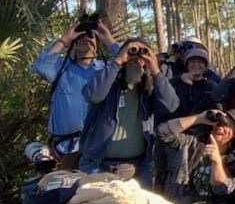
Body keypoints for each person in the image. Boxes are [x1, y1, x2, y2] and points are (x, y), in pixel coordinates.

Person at [80, 38, 179, 184]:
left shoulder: (149, 87)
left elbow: (171, 105)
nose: (137, 59)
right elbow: (93, 95)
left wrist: (156, 70)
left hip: (137, 166)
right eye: (131, 52)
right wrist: (117, 61)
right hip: (97, 164)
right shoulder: (106, 79)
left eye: (143, 54)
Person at [31, 18, 119, 163]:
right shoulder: (60, 69)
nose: (85, 38)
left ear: (97, 45)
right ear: (72, 44)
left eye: (90, 36)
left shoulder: (107, 70)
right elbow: (41, 67)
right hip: (65, 149)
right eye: (80, 36)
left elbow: (128, 64)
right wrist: (65, 38)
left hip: (100, 148)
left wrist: (108, 38)